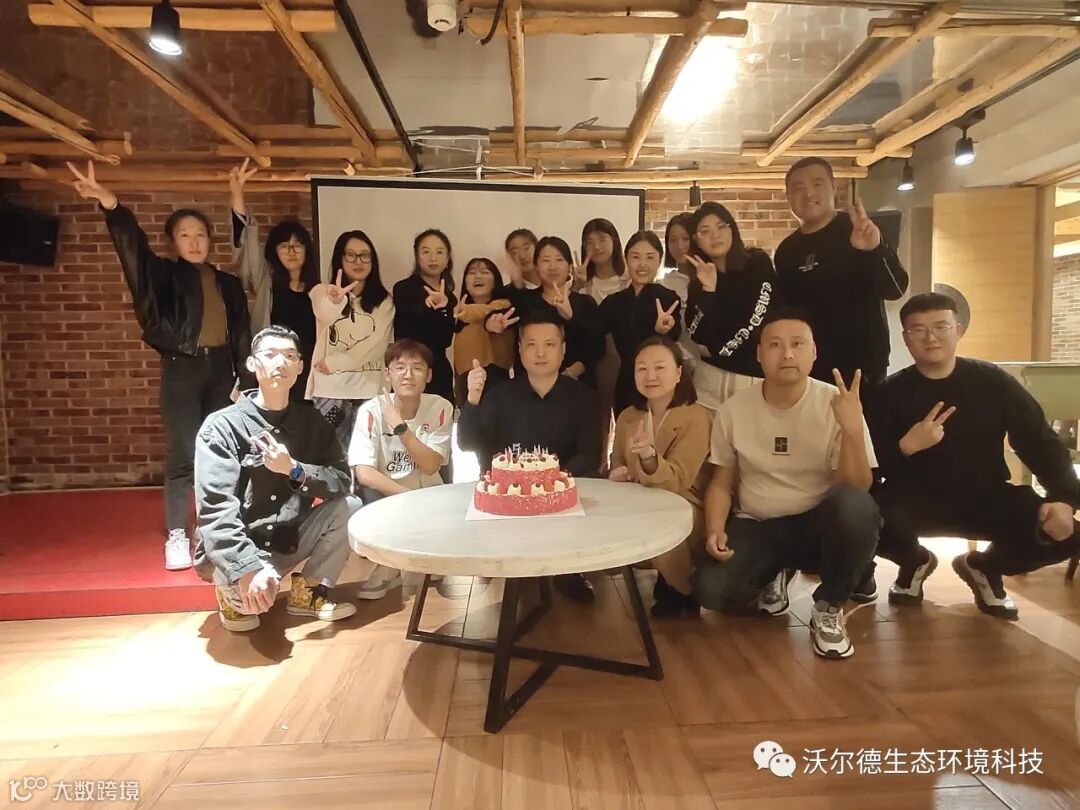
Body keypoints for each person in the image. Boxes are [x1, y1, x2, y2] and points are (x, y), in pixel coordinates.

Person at [67, 161, 251, 572]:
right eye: (185, 235)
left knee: (221, 452)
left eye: (200, 234)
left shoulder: (228, 283)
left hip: (222, 371)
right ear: (173, 242)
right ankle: (177, 534)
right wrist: (109, 203)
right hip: (182, 369)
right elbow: (132, 246)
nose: (194, 241)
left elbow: (242, 333)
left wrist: (245, 377)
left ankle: (212, 528)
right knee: (184, 453)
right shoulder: (164, 276)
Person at [870, 293, 1080, 620]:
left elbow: (1039, 441)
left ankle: (983, 566)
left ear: (958, 329)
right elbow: (868, 462)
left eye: (941, 326)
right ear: (906, 338)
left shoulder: (993, 382)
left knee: (1066, 534)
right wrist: (906, 446)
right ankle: (914, 561)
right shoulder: (888, 392)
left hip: (985, 496)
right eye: (918, 330)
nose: (930, 337)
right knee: (862, 516)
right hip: (911, 500)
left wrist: (1064, 498)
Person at [693, 307, 880, 660]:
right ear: (759, 354)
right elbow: (720, 481)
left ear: (814, 352)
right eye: (775, 345)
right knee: (710, 590)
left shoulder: (837, 403)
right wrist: (715, 529)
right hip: (758, 524)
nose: (787, 354)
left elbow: (857, 486)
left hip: (816, 526)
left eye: (797, 344)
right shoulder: (734, 409)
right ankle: (774, 572)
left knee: (857, 508)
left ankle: (829, 607)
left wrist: (853, 431)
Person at [193, 326, 356, 632]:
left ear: (301, 366)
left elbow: (341, 480)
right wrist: (245, 569)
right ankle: (231, 590)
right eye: (270, 355)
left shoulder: (312, 422)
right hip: (238, 548)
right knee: (247, 619)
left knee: (350, 506)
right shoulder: (222, 426)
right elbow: (215, 508)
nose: (281, 363)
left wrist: (295, 469)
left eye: (290, 356)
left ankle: (308, 591)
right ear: (252, 363)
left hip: (286, 539)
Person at [458, 308, 602, 602]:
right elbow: (467, 443)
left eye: (549, 344)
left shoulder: (584, 398)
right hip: (510, 501)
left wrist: (548, 485)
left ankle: (568, 571)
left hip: (563, 497)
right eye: (531, 344)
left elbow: (589, 454)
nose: (540, 353)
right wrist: (472, 400)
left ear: (563, 350)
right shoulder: (499, 396)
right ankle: (515, 567)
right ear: (520, 350)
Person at [774, 157, 908, 387]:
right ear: (788, 196)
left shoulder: (857, 229)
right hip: (810, 369)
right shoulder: (786, 251)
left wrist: (874, 249)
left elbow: (896, 289)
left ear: (833, 188)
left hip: (864, 368)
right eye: (799, 188)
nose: (809, 194)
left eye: (817, 184)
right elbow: (787, 312)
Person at [609, 336, 710, 618]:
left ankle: (684, 588)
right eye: (641, 369)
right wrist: (618, 472)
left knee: (660, 520)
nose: (650, 376)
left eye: (659, 367)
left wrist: (649, 458)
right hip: (638, 499)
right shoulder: (628, 416)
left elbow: (680, 479)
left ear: (679, 373)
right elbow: (617, 461)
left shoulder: (696, 416)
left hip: (685, 502)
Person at [348, 339, 454, 600]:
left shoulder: (440, 407)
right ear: (387, 374)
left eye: (417, 368)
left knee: (435, 566)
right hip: (388, 495)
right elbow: (364, 472)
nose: (408, 375)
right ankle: (388, 565)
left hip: (429, 493)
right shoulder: (370, 411)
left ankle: (432, 554)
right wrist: (406, 496)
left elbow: (431, 465)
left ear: (429, 375)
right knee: (367, 497)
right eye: (400, 368)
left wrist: (400, 427)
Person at [228, 160, 318, 402]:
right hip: (274, 368)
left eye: (298, 245)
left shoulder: (318, 286)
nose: (291, 251)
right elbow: (246, 246)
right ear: (274, 251)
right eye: (284, 246)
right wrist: (237, 194)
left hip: (310, 370)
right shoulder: (266, 280)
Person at [683, 202, 777, 410]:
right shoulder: (699, 279)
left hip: (750, 377)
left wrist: (717, 350)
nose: (715, 235)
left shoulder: (757, 263)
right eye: (705, 231)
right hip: (708, 379)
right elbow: (696, 333)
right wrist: (709, 291)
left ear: (732, 228)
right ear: (696, 240)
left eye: (721, 227)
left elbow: (755, 319)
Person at [307, 230, 394, 450]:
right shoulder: (321, 292)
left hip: (369, 391)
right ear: (340, 258)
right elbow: (324, 314)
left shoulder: (384, 301)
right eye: (351, 255)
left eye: (365, 255)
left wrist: (335, 362)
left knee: (367, 459)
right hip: (330, 391)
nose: (358, 261)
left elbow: (377, 345)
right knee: (331, 457)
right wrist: (335, 301)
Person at [598, 231, 682, 415]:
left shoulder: (668, 298)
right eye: (636, 257)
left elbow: (675, 334)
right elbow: (592, 332)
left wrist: (663, 331)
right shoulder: (613, 302)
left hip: (660, 383)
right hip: (626, 383)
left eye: (650, 257)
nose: (642, 264)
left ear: (659, 261)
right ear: (626, 259)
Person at [502, 236, 603, 388]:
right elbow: (500, 318)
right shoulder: (524, 301)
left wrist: (570, 317)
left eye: (559, 260)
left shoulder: (586, 303)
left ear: (569, 266)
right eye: (546, 260)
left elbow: (597, 346)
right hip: (530, 386)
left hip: (577, 385)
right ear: (536, 266)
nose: (552, 267)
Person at [393, 229, 458, 404]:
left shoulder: (450, 298)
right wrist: (428, 307)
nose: (433, 258)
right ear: (417, 256)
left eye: (439, 252)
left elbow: (445, 340)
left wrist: (444, 307)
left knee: (441, 418)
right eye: (426, 251)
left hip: (439, 372)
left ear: (447, 258)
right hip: (408, 369)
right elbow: (407, 331)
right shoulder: (403, 289)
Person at [451, 257, 516, 406]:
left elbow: (490, 313)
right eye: (472, 272)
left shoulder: (503, 307)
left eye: (485, 272)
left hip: (493, 380)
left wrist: (466, 311)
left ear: (495, 281)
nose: (478, 276)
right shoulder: (461, 317)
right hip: (465, 383)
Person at [660, 212, 694, 305]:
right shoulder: (664, 285)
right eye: (673, 240)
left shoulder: (713, 280)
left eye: (686, 238)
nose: (679, 246)